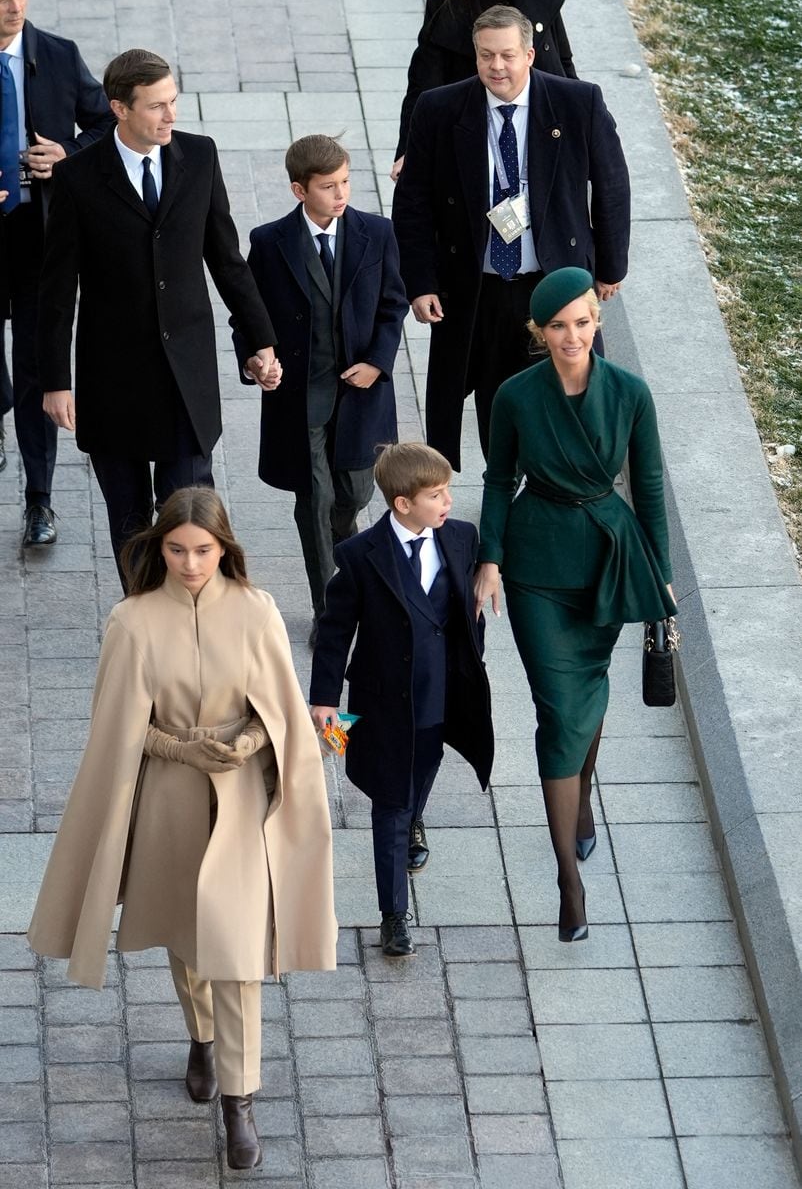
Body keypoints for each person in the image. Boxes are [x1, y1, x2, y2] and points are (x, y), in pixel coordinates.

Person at [28, 487, 337, 1170]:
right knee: (186, 940)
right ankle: (200, 1036)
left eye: (203, 550)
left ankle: (239, 1101)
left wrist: (252, 741)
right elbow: (118, 730)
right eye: (176, 550)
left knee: (237, 954)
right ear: (159, 547)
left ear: (224, 547)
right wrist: (179, 749)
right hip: (168, 801)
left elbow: (283, 706)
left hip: (240, 803)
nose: (191, 564)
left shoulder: (256, 611)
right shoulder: (132, 622)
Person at [474, 267, 677, 942]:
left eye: (581, 322)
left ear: (597, 321)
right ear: (539, 331)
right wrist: (490, 560)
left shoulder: (631, 394)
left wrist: (662, 581)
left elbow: (647, 488)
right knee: (559, 709)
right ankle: (568, 877)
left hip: (607, 565)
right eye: (557, 326)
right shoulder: (515, 396)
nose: (571, 335)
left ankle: (581, 802)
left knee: (585, 699)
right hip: (536, 568)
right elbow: (499, 480)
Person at [37, 48, 281, 584]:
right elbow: (55, 293)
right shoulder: (77, 179)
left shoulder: (200, 156)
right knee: (130, 527)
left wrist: (261, 339)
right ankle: (144, 627)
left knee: (194, 518)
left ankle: (196, 619)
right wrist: (56, 381)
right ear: (119, 108)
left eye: (173, 102)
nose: (171, 116)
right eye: (157, 107)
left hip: (185, 379)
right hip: (114, 381)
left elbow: (226, 258)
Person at [391, 4, 630, 468]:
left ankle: (555, 487)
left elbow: (613, 186)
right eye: (485, 56)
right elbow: (413, 203)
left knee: (569, 394)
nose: (496, 67)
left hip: (554, 282)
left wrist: (610, 267)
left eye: (506, 55)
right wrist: (419, 282)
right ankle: (505, 489)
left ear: (530, 54)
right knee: (494, 403)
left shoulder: (579, 102)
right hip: (479, 290)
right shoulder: (439, 109)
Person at [310, 443, 493, 958]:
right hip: (384, 702)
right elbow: (334, 630)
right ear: (402, 504)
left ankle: (415, 813)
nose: (449, 502)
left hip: (443, 697)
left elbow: (462, 600)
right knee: (388, 803)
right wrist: (324, 701)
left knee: (426, 767)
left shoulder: (460, 538)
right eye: (436, 494)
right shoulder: (359, 556)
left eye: (447, 491)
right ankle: (394, 915)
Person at [232, 134, 408, 646]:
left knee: (352, 494)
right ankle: (328, 612)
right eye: (329, 186)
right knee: (313, 500)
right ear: (298, 190)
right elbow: (248, 313)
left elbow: (392, 305)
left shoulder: (377, 233)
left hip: (361, 393)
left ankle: (346, 549)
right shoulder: (268, 242)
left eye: (346, 182)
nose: (341, 194)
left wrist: (377, 363)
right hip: (300, 398)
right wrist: (255, 359)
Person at [0, 0, 114, 544]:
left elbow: (104, 127)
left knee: (36, 368)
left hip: (36, 237)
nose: (15, 6)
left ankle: (39, 500)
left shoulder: (60, 55)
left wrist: (67, 153)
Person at [391, 0, 576, 181]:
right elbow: (423, 86)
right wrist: (409, 150)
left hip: (545, 122)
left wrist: (591, 119)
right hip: (481, 133)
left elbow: (564, 63)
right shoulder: (446, 6)